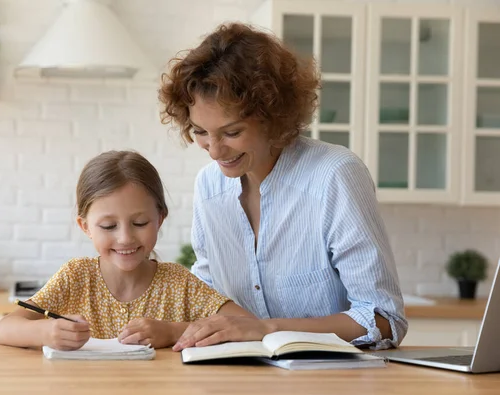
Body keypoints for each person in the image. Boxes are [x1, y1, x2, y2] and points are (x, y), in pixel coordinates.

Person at [158, 22, 407, 352]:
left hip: (333, 382)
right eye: (200, 131)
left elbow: (384, 319)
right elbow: (209, 297)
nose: (215, 151)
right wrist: (171, 329)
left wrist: (265, 329)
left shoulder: (334, 176)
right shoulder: (209, 186)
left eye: (232, 133)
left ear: (272, 116)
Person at [0, 150, 253, 351]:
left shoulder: (178, 283)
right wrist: (47, 332)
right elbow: (5, 328)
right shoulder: (76, 276)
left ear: (160, 218)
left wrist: (174, 332)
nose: (125, 238)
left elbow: (248, 326)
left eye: (140, 223)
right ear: (85, 227)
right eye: (108, 226)